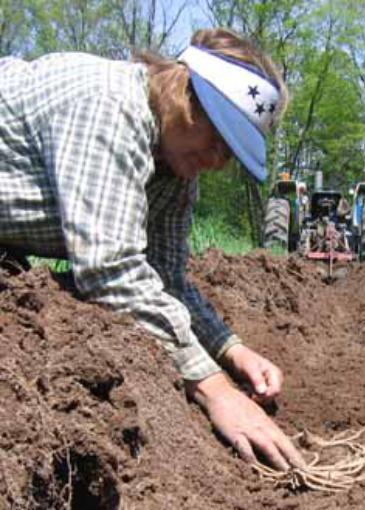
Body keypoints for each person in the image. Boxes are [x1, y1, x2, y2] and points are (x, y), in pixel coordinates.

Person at [0, 28, 304, 470]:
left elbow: (165, 277)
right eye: (217, 138)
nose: (217, 160)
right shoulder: (109, 106)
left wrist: (230, 350)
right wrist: (216, 390)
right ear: (184, 92)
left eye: (230, 154)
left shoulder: (174, 171)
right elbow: (110, 271)